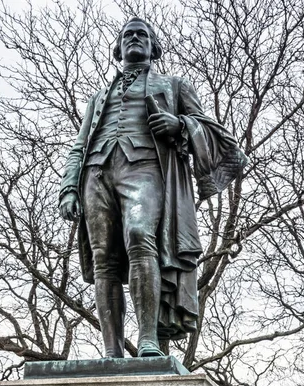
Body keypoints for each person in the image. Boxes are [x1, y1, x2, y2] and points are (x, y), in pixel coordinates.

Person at [59, 17, 247, 358]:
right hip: (96, 174)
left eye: (142, 34)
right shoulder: (99, 97)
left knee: (139, 237)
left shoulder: (173, 85)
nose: (134, 38)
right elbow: (80, 145)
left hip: (145, 169)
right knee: (104, 260)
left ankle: (147, 338)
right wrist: (69, 187)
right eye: (128, 34)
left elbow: (218, 136)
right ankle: (112, 350)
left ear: (153, 47)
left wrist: (180, 125)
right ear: (118, 48)